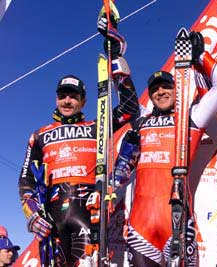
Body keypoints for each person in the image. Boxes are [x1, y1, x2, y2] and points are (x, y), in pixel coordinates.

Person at [18, 11, 139, 266]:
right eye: (63, 95)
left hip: (89, 211)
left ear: (83, 100)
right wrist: (31, 214)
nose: (67, 100)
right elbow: (27, 178)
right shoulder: (39, 135)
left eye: (73, 96)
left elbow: (129, 109)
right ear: (56, 98)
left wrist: (116, 56)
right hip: (51, 218)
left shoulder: (99, 124)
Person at [113, 31, 217, 266]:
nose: (160, 92)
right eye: (155, 89)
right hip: (140, 227)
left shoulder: (192, 118)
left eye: (166, 86)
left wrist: (200, 57)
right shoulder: (141, 120)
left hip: (177, 222)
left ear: (176, 89)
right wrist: (115, 52)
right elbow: (126, 95)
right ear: (151, 96)